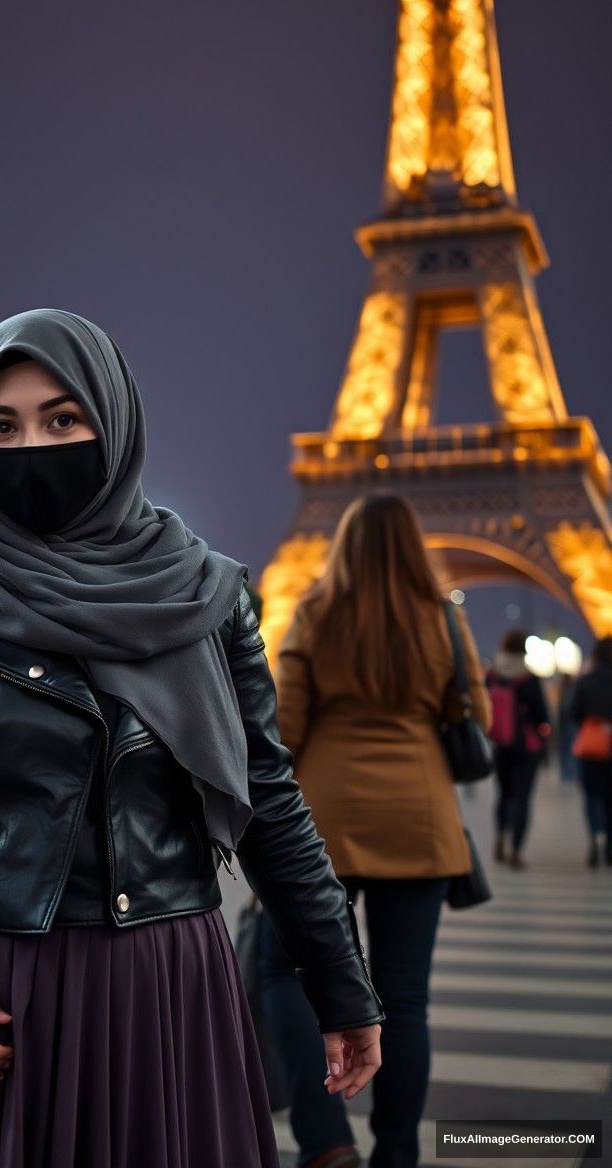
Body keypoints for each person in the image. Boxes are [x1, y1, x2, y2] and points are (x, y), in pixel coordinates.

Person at [0, 309, 384, 1168]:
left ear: (114, 423)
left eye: (62, 418)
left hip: (167, 989)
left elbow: (270, 800)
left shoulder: (209, 595)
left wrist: (344, 988)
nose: (30, 447)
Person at [265, 492, 490, 1168]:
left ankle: (326, 1139)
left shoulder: (315, 612)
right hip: (419, 824)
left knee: (285, 971)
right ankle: (397, 1151)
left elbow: (286, 728)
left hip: (322, 825)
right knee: (404, 999)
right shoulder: (441, 620)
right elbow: (472, 710)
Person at [486, 629, 550, 869]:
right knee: (522, 798)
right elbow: (542, 715)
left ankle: (500, 836)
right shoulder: (529, 678)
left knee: (503, 795)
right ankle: (516, 850)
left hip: (500, 745)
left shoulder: (492, 675)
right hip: (526, 747)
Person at [571, 636, 612, 867]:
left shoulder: (587, 680)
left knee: (592, 795)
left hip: (592, 745)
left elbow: (575, 713)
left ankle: (596, 834)